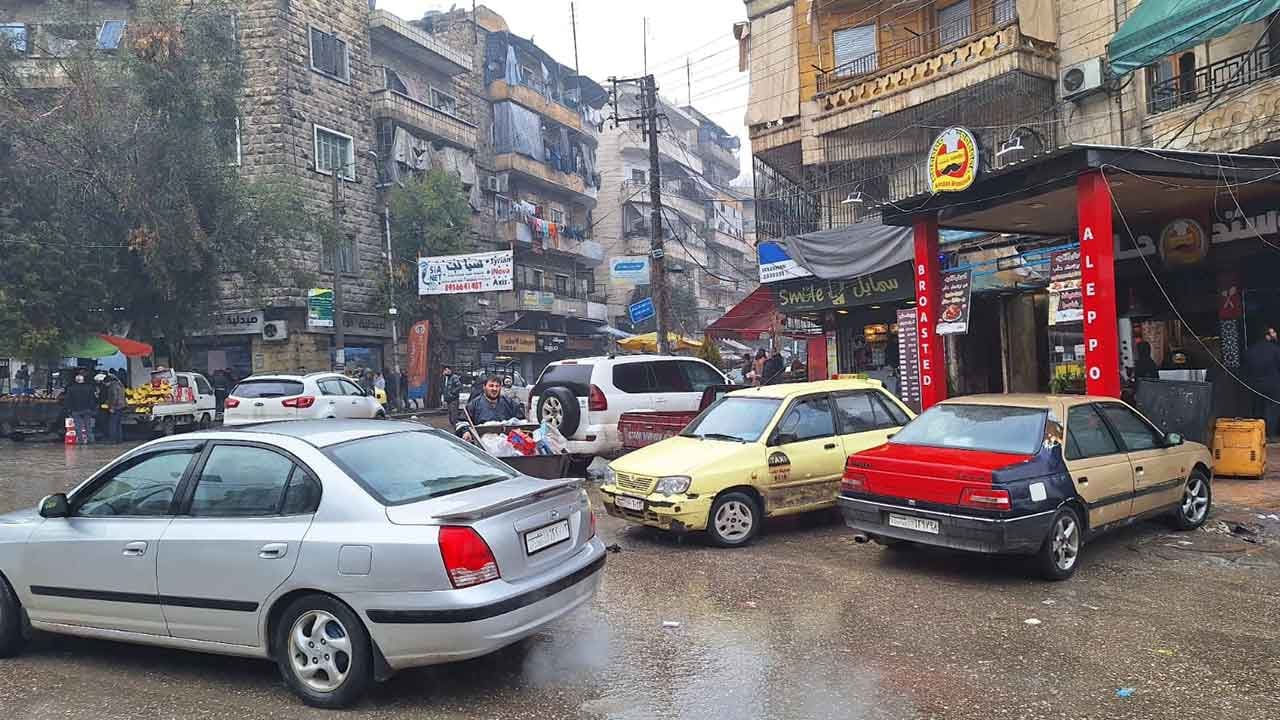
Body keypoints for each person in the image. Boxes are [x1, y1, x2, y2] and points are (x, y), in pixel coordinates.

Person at [460, 374, 525, 441]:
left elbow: (521, 422)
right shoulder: (474, 404)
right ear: (484, 387)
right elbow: (463, 421)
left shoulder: (509, 403)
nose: (494, 389)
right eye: (491, 386)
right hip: (482, 443)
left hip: (507, 442)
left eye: (497, 386)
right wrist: (466, 431)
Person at [1244, 326, 1280, 439]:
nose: (1275, 335)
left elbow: (1246, 369)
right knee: (1272, 410)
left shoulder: (1250, 350)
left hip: (1255, 385)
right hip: (1273, 384)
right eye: (1272, 333)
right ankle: (1271, 435)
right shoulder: (1275, 349)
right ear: (1267, 336)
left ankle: (1258, 436)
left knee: (1257, 410)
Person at [65, 371, 99, 445]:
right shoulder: (89, 387)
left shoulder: (71, 388)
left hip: (75, 410)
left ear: (76, 380)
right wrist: (92, 408)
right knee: (88, 426)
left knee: (78, 426)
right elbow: (93, 399)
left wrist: (69, 409)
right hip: (87, 409)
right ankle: (90, 440)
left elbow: (68, 400)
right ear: (83, 379)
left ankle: (80, 440)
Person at [104, 373, 128, 443]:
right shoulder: (120, 384)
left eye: (105, 383)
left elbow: (114, 397)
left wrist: (112, 407)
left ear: (108, 382)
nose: (105, 385)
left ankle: (113, 439)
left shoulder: (113, 386)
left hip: (116, 406)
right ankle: (119, 439)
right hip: (121, 406)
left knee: (112, 424)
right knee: (118, 424)